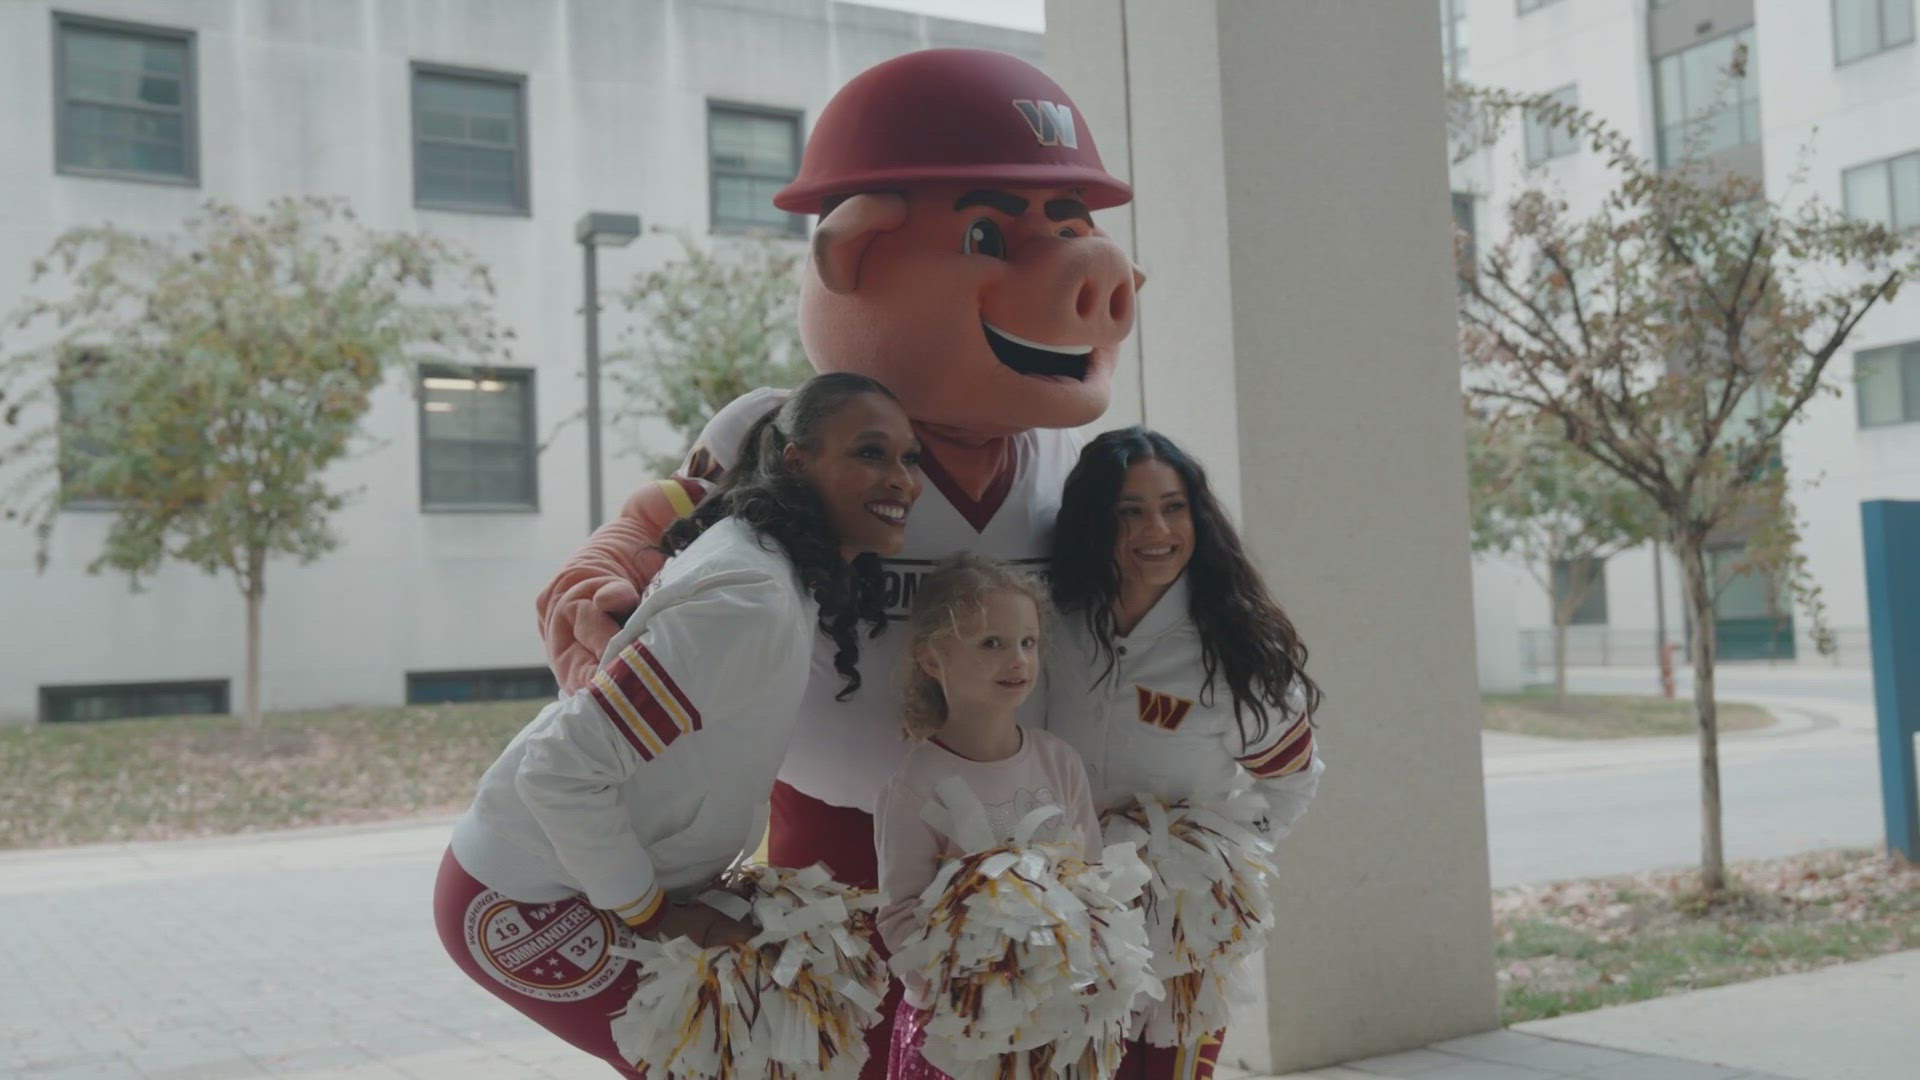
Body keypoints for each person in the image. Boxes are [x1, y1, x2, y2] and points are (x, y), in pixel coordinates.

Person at [433, 373, 922, 1077]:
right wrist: (654, 914)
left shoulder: (771, 565)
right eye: (872, 453)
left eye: (911, 459)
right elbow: (561, 769)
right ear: (795, 460)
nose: (902, 479)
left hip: (581, 878)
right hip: (527, 896)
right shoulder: (750, 601)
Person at [1045, 427, 1326, 1080]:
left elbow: (1290, 783)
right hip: (1062, 913)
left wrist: (1211, 865)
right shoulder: (1050, 620)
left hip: (1179, 934)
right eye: (1131, 511)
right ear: (1094, 521)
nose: (1158, 529)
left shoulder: (1236, 647)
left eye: (1174, 507)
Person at [873, 555, 1102, 1080]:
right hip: (960, 1034)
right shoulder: (916, 784)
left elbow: (1091, 877)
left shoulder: (1058, 760)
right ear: (932, 660)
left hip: (1054, 1023)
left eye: (1027, 642)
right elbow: (899, 914)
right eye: (991, 644)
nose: (1016, 659)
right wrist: (979, 983)